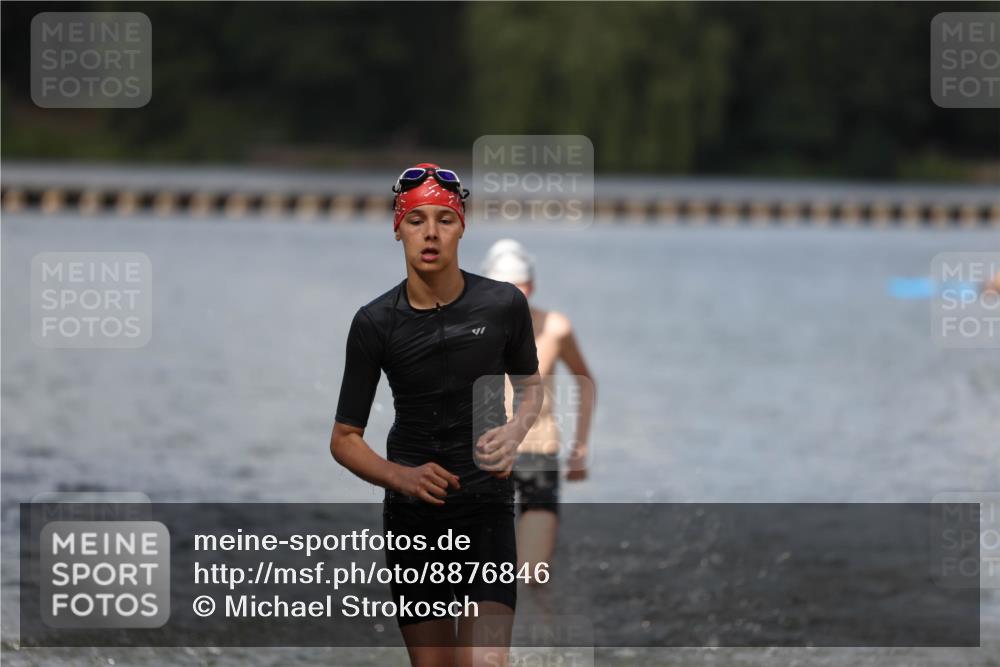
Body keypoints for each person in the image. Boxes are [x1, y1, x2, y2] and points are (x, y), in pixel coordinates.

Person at [330, 163, 544, 667]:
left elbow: (531, 389)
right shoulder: (375, 322)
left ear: (462, 227)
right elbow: (344, 438)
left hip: (486, 506)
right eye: (416, 220)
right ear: (397, 228)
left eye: (444, 220)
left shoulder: (503, 305)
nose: (430, 233)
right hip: (414, 516)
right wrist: (400, 478)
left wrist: (515, 430)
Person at [481, 240, 596, 583]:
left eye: (518, 286)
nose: (511, 295)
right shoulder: (467, 328)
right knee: (486, 576)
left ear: (530, 287)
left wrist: (581, 445)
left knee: (531, 576)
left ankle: (537, 631)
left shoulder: (555, 328)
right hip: (484, 457)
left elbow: (585, 381)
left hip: (538, 454)